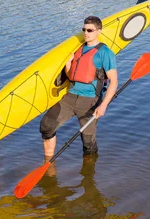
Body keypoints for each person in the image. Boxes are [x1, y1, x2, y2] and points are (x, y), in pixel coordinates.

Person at [40, 15, 118, 157]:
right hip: (69, 98)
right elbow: (71, 76)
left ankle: (89, 173)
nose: (86, 33)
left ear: (99, 31)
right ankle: (48, 162)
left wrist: (104, 105)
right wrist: (68, 66)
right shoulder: (78, 49)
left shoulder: (105, 53)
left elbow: (114, 81)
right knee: (47, 126)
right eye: (84, 30)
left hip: (89, 101)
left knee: (88, 142)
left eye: (90, 30)